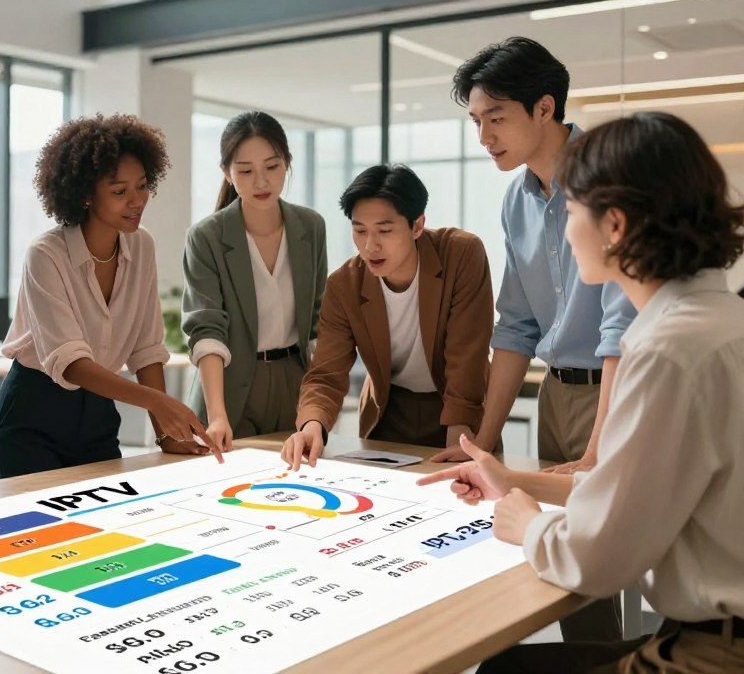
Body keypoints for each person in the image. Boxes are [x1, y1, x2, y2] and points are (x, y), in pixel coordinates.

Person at [420, 112, 744, 673]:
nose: (567, 233)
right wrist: (515, 482)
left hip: (712, 653)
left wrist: (528, 524)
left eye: (571, 213)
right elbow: (635, 493)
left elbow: (598, 558)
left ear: (614, 225)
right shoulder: (720, 321)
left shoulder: (668, 351)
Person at [438, 36, 633, 642]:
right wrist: (482, 443)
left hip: (619, 393)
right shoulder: (515, 200)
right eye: (476, 121)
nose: (484, 136)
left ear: (544, 108)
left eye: (495, 118)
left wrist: (597, 450)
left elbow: (621, 327)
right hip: (557, 393)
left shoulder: (608, 178)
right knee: (561, 576)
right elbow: (517, 326)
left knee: (601, 560)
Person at [0, 114, 222, 479]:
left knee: (108, 513)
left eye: (142, 186)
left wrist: (165, 434)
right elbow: (70, 363)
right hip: (34, 412)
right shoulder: (46, 254)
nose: (137, 201)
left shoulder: (141, 245)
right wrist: (159, 402)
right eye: (119, 192)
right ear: (85, 194)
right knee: (34, 517)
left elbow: (146, 348)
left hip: (98, 411)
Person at [281, 164, 493, 471]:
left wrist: (461, 431)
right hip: (389, 413)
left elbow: (467, 353)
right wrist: (312, 425)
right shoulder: (344, 285)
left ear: (417, 225)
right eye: (360, 231)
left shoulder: (460, 254)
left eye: (384, 230)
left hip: (458, 407)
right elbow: (326, 372)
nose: (371, 246)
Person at [182, 111, 326, 450]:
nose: (261, 182)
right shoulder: (206, 237)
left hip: (294, 382)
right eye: (246, 171)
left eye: (272, 167)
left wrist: (317, 409)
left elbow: (319, 323)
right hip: (229, 388)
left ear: (287, 163)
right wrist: (218, 416)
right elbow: (207, 330)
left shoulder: (311, 227)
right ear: (227, 173)